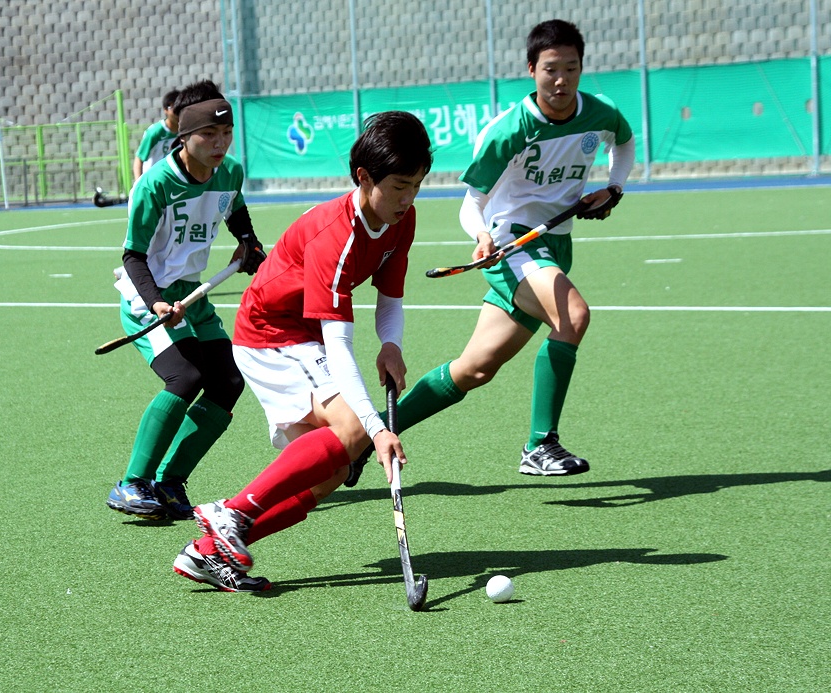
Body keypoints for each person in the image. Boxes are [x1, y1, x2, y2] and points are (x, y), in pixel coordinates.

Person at [347, 19, 635, 486]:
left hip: (554, 245)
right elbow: (471, 203)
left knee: (474, 369)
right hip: (512, 242)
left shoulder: (601, 113)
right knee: (573, 316)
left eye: (571, 68)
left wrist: (614, 188)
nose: (561, 80)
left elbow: (623, 143)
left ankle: (365, 438)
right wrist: (482, 236)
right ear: (531, 70)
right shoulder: (509, 130)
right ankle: (540, 445)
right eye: (550, 70)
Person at [171, 111, 434, 592]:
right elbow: (339, 345)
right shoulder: (336, 235)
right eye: (399, 186)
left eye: (416, 185)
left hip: (304, 333)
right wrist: (377, 430)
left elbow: (390, 298)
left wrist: (391, 345)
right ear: (363, 177)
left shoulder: (402, 219)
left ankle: (207, 552)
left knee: (331, 473)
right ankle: (231, 514)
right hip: (271, 333)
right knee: (354, 429)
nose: (408, 198)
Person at [106, 80, 267, 521]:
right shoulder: (155, 184)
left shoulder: (229, 172)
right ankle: (132, 482)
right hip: (147, 295)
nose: (219, 144)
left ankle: (170, 481)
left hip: (192, 295)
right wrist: (156, 303)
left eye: (226, 134)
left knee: (228, 382)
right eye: (208, 136)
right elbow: (133, 256)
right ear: (184, 137)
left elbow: (235, 209)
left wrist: (249, 243)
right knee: (185, 377)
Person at [132, 89, 180, 183]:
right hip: (154, 182)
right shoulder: (155, 132)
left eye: (180, 108)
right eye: (174, 108)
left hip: (174, 181)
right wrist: (139, 184)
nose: (177, 113)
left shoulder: (185, 131)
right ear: (165, 110)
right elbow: (139, 159)